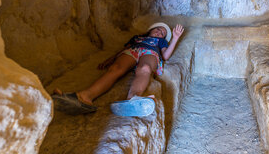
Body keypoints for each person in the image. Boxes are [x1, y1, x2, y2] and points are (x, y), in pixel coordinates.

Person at [53, 22, 184, 117]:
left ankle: (133, 98)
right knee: (115, 68)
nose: (160, 32)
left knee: (145, 68)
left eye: (163, 33)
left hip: (150, 52)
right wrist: (110, 59)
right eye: (158, 29)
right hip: (133, 50)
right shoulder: (137, 38)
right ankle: (85, 97)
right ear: (150, 29)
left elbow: (165, 55)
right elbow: (123, 50)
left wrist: (175, 38)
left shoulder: (160, 42)